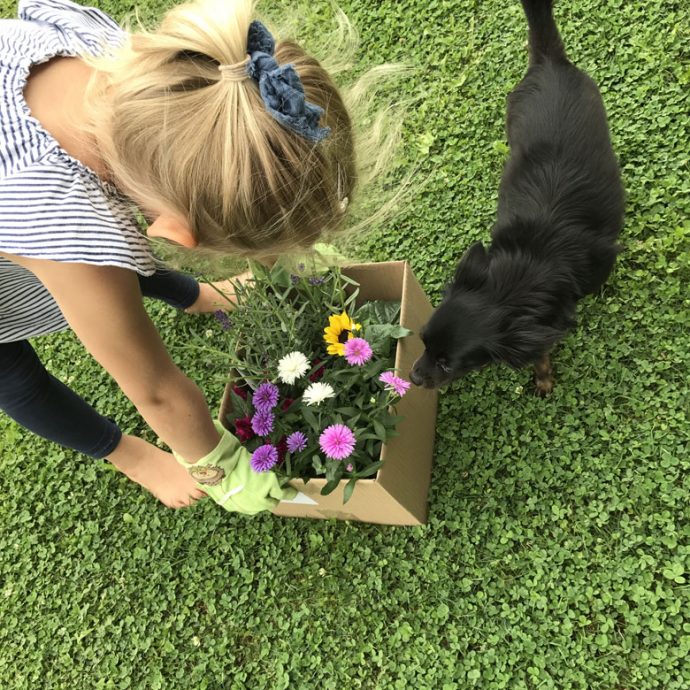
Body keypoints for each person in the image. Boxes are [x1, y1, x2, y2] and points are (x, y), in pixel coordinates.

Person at [0, 0, 358, 511]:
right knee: (13, 376)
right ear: (174, 233)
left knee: (114, 264)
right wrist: (215, 463)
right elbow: (158, 392)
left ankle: (200, 297)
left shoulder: (131, 67)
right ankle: (132, 457)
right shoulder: (73, 234)